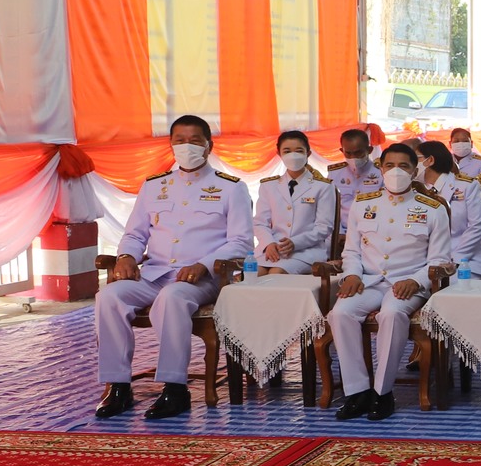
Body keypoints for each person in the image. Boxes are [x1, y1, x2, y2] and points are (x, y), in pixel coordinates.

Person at [95, 116, 253, 421]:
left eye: (195, 141)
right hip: (154, 273)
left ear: (209, 146)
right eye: (180, 140)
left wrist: (203, 264)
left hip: (202, 279)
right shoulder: (154, 186)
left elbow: (241, 242)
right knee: (109, 296)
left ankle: (175, 388)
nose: (186, 147)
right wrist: (127, 256)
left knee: (173, 297)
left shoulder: (230, 188)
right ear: (171, 145)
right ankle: (118, 386)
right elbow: (135, 234)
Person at [328, 142, 452, 422]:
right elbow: (351, 251)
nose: (396, 171)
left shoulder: (432, 208)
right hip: (370, 281)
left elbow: (440, 259)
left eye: (404, 166)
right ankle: (357, 391)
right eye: (390, 165)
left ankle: (382, 392)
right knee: (340, 313)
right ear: (381, 169)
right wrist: (352, 275)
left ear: (415, 170)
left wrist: (416, 280)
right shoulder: (363, 204)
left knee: (392, 314)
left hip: (408, 284)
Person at [255, 130, 336, 274]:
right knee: (252, 275)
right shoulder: (268, 186)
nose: (293, 155)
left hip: (307, 252)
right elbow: (260, 222)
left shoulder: (323, 186)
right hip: (273, 249)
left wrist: (295, 243)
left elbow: (324, 227)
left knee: (276, 273)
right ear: (279, 154)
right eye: (287, 151)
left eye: (299, 151)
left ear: (308, 153)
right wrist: (269, 243)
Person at [417, 141, 481, 278]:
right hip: (424, 262)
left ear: (430, 160)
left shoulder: (466, 186)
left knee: (444, 287)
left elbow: (476, 225)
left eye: (416, 158)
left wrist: (455, 258)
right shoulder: (416, 191)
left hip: (463, 260)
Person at [328, 127, 381, 232]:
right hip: (343, 231)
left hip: (372, 232)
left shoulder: (381, 173)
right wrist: (339, 233)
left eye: (358, 153)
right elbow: (329, 207)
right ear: (342, 151)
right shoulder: (335, 174)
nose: (353, 157)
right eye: (348, 153)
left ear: (369, 150)